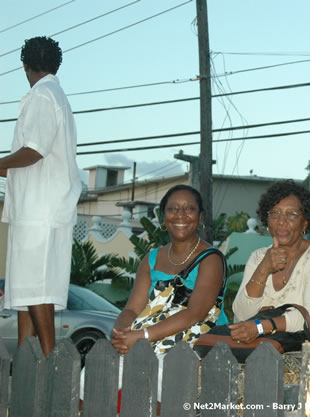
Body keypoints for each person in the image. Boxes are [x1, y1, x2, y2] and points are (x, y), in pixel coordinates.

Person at [82, 185, 226, 400]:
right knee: (94, 374)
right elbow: (132, 308)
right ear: (163, 216)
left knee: (159, 380)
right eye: (173, 209)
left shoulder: (210, 258)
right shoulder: (152, 258)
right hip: (148, 336)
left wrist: (142, 337)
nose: (180, 215)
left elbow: (195, 313)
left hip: (194, 338)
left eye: (189, 209)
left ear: (201, 216)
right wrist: (121, 334)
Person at [0, 36, 81, 357]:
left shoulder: (42, 96)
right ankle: (25, 362)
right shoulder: (56, 96)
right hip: (43, 208)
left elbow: (33, 150)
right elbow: (31, 162)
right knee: (25, 291)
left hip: (39, 212)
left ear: (24, 65)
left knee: (37, 289)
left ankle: (47, 360)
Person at [231, 180, 310, 343]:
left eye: (292, 214)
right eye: (275, 213)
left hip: (309, 350)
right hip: (260, 347)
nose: (282, 221)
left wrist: (261, 326)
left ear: (305, 223)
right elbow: (242, 315)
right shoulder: (258, 257)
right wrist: (263, 269)